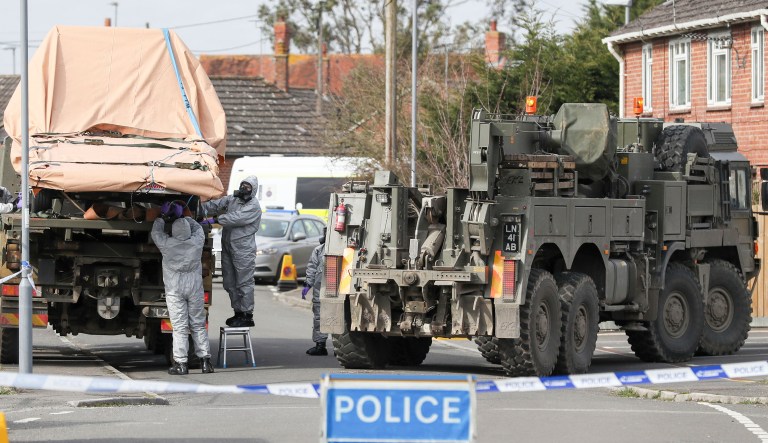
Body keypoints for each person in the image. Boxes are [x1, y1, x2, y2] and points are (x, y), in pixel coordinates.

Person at [151, 211, 214, 375]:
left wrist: (162, 218)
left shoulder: (167, 244)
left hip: (175, 288)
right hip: (194, 287)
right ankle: (206, 362)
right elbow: (199, 229)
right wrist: (188, 218)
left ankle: (181, 363)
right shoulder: (196, 242)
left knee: (179, 327)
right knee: (198, 325)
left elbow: (155, 232)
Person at [202, 176, 262, 328]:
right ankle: (238, 312)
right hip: (228, 246)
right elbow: (216, 205)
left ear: (253, 190)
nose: (244, 189)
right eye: (243, 185)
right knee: (229, 282)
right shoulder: (232, 200)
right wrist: (196, 208)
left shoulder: (253, 206)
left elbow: (236, 218)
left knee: (244, 282)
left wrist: (214, 220)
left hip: (243, 249)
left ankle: (247, 314)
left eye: (247, 187)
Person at [303, 227, 328, 356]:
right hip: (320, 287)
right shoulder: (319, 250)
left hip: (333, 287)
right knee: (319, 315)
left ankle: (338, 346)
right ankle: (320, 345)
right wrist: (308, 284)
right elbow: (312, 267)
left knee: (340, 317)